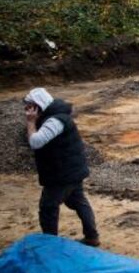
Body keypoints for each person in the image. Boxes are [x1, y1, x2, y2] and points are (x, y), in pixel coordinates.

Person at [23, 88, 100, 247]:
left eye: (30, 105)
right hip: (70, 170)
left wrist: (30, 122)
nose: (27, 109)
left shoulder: (55, 121)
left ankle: (51, 245)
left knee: (48, 207)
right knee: (79, 201)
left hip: (62, 174)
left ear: (38, 105)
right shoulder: (54, 117)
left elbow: (36, 142)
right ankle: (92, 236)